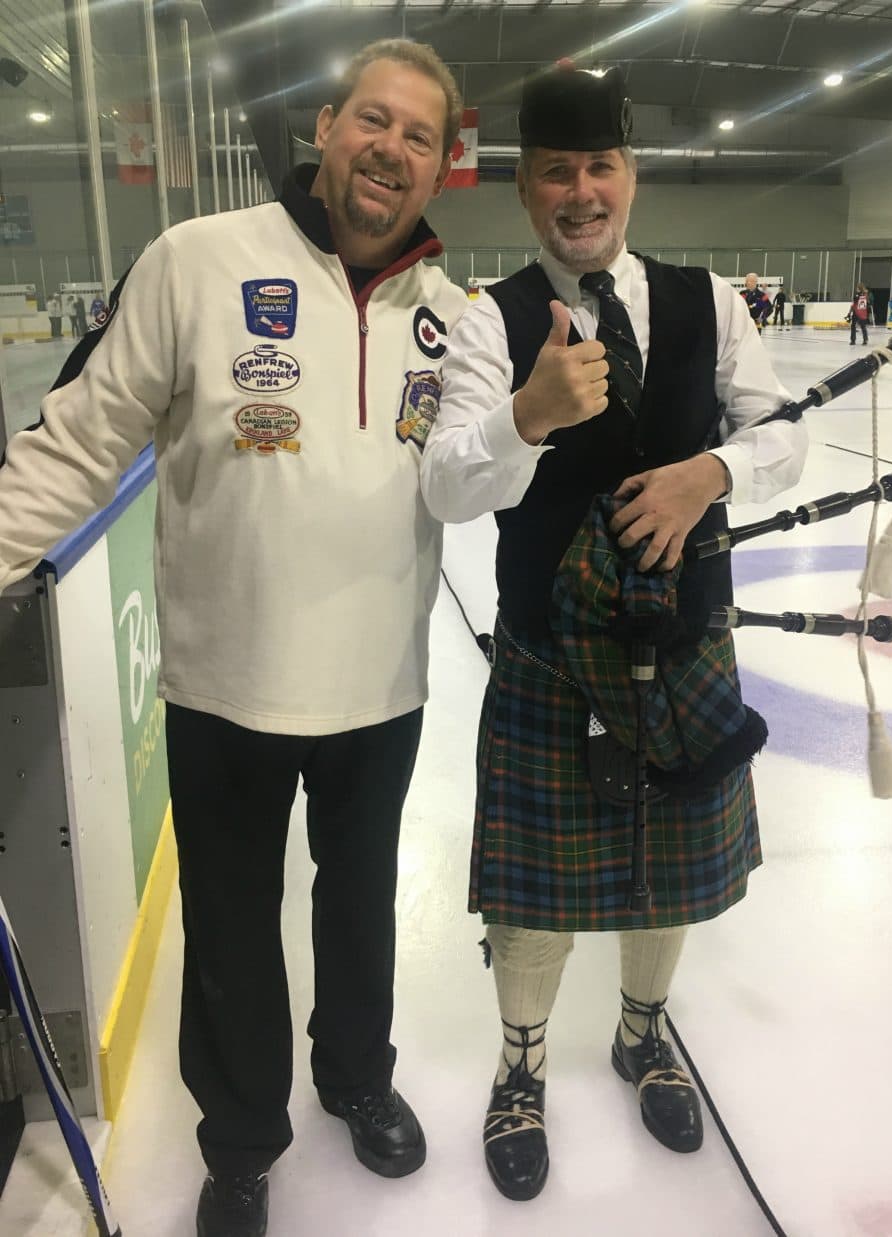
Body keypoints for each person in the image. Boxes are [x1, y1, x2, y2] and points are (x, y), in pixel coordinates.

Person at [0, 38, 467, 1237]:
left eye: (419, 136)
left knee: (358, 909)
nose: (390, 150)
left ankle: (357, 1077)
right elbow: (81, 437)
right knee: (230, 929)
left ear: (441, 168)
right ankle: (243, 1139)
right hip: (224, 687)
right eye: (374, 120)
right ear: (324, 128)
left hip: (382, 689)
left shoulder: (451, 316)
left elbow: (478, 479)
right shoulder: (197, 261)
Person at [421, 63, 808, 1202]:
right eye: (554, 172)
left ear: (629, 175)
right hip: (548, 645)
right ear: (524, 188)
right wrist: (527, 416)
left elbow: (782, 432)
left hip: (684, 638)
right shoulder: (487, 321)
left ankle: (643, 1032)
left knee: (673, 870)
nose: (579, 192)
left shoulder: (707, 302)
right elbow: (447, 488)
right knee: (535, 891)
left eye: (599, 167)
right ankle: (522, 1064)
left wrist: (712, 472)